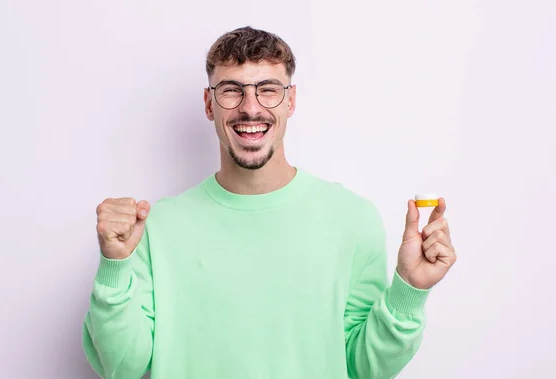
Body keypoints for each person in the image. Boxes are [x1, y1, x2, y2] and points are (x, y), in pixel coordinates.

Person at [82, 26, 457, 379]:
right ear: (209, 104)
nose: (251, 108)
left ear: (290, 100)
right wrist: (114, 266)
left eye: (268, 89)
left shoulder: (352, 220)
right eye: (231, 90)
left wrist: (408, 289)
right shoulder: (156, 227)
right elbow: (122, 367)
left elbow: (363, 367)